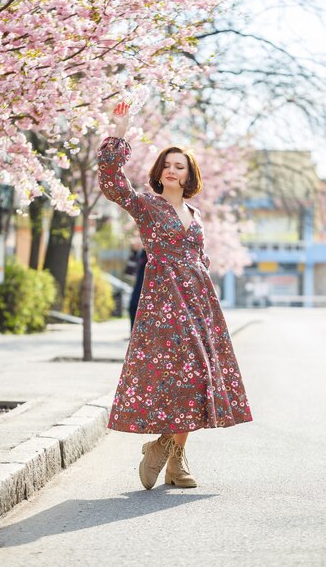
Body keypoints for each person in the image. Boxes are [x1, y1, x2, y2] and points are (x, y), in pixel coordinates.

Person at [97, 101, 253, 490]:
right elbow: (113, 183)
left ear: (188, 175)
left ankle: (172, 453)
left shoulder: (196, 214)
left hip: (199, 299)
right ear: (159, 173)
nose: (171, 169)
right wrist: (121, 128)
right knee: (178, 376)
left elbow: (201, 256)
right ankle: (168, 445)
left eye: (178, 166)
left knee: (200, 376)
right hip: (163, 299)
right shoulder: (147, 205)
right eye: (166, 164)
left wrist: (207, 297)